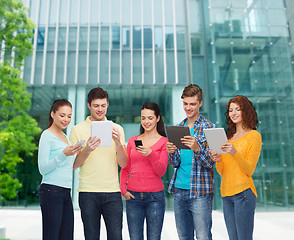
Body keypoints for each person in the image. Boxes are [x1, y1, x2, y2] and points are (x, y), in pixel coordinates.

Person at [69, 87, 128, 240]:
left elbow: (123, 163)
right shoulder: (77, 130)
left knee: (116, 236)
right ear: (89, 105)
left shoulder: (117, 129)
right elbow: (73, 165)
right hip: (88, 192)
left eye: (103, 105)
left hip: (113, 193)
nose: (100, 109)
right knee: (91, 236)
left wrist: (118, 142)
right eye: (96, 106)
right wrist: (87, 149)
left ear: (107, 105)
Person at [166, 84, 216, 240]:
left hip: (200, 192)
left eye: (192, 104)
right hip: (179, 191)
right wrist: (172, 152)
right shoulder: (179, 128)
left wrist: (197, 148)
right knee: (184, 236)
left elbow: (211, 163)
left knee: (203, 236)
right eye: (185, 103)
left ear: (200, 103)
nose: (188, 107)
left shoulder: (210, 128)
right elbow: (175, 164)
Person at [210, 95, 262, 240]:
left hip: (244, 194)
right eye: (231, 110)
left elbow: (249, 169)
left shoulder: (254, 136)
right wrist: (218, 160)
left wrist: (234, 152)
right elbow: (222, 171)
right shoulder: (227, 138)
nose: (233, 113)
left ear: (246, 111)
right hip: (226, 195)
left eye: (238, 109)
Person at [120, 102, 169, 240]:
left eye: (150, 118)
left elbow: (161, 171)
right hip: (133, 197)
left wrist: (151, 153)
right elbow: (125, 167)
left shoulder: (164, 142)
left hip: (155, 198)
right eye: (143, 118)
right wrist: (123, 189)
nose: (146, 122)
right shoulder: (133, 141)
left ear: (158, 118)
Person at [38, 99, 83, 240]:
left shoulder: (65, 138)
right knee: (52, 236)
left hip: (65, 191)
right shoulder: (47, 135)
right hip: (51, 191)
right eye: (62, 115)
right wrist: (63, 154)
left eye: (69, 116)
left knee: (67, 236)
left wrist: (84, 151)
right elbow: (43, 169)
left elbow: (72, 166)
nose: (66, 119)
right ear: (52, 114)